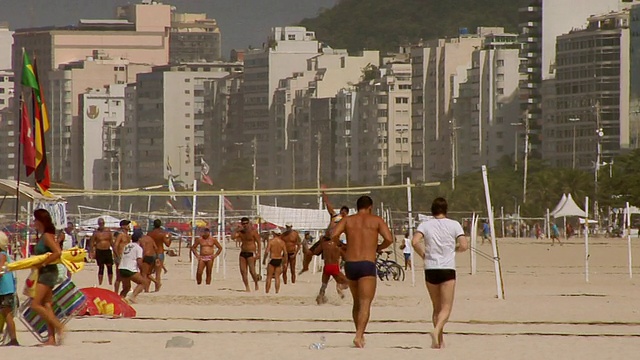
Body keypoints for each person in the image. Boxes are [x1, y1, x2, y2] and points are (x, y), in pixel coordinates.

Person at [331, 195, 393, 348]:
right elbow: (389, 239)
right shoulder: (376, 220)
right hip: (367, 262)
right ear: (370, 207)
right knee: (365, 303)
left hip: (351, 263)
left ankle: (360, 333)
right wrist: (378, 247)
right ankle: (359, 336)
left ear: (357, 207)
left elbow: (333, 235)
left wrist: (342, 246)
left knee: (357, 302)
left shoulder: (348, 220)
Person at [411, 197, 468, 349]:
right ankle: (436, 331)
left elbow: (415, 241)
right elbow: (464, 245)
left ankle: (439, 341)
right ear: (446, 209)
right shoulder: (454, 224)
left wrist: (423, 254)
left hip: (430, 267)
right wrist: (454, 250)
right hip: (447, 267)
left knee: (436, 307)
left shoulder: (425, 225)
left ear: (432, 210)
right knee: (446, 307)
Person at [31, 209, 65, 346]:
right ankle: (51, 339)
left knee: (35, 304)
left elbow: (58, 252)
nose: (34, 223)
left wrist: (43, 263)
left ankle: (58, 326)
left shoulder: (46, 236)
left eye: (35, 220)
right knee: (47, 304)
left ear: (40, 221)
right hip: (46, 272)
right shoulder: (43, 235)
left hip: (48, 272)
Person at [301, 190, 349, 273]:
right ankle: (305, 267)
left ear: (347, 213)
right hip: (325, 239)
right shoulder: (335, 216)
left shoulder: (346, 222)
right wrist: (324, 194)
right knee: (309, 253)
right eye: (342, 211)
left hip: (334, 241)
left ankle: (345, 275)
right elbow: (328, 205)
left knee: (343, 258)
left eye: (344, 212)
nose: (343, 212)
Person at [309, 232, 348, 304]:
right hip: (334, 267)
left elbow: (316, 252)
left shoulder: (324, 244)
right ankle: (340, 289)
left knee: (324, 285)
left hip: (326, 267)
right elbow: (345, 258)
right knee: (347, 282)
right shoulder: (338, 246)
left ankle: (320, 298)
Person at [118, 230, 150, 303]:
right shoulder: (138, 248)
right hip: (130, 269)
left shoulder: (127, 245)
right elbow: (139, 261)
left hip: (122, 268)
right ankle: (132, 297)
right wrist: (142, 271)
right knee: (143, 282)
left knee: (126, 288)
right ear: (139, 239)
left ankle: (119, 300)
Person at [0, 231, 18, 346]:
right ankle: (13, 339)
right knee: (6, 313)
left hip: (4, 288)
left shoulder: (2, 254)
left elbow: (0, 270)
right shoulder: (4, 253)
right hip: (6, 287)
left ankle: (13, 339)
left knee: (7, 313)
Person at [237, 217, 261, 292]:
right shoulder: (241, 232)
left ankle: (256, 283)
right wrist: (236, 229)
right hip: (243, 252)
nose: (245, 225)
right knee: (243, 271)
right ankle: (247, 287)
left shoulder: (253, 232)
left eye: (246, 223)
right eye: (243, 224)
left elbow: (259, 242)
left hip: (251, 252)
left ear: (249, 223)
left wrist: (259, 253)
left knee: (252, 271)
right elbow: (232, 237)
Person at [147, 219, 171, 292]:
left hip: (151, 253)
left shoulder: (149, 233)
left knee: (148, 272)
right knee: (158, 273)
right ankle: (157, 288)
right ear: (160, 225)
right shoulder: (162, 233)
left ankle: (146, 289)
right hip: (160, 253)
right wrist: (170, 238)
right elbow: (168, 244)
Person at [91, 218, 114, 286]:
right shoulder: (96, 232)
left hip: (107, 250)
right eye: (100, 223)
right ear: (98, 224)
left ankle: (110, 282)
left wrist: (115, 251)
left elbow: (111, 242)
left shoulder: (108, 231)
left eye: (102, 223)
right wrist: (91, 251)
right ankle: (100, 283)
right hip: (99, 251)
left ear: (104, 223)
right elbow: (91, 242)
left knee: (110, 267)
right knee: (101, 267)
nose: (101, 225)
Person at [263, 228, 287, 294]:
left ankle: (267, 291)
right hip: (279, 259)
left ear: (274, 233)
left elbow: (267, 251)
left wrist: (264, 259)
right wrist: (285, 262)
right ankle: (277, 291)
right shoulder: (282, 242)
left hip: (272, 259)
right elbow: (285, 253)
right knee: (277, 277)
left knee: (269, 277)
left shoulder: (271, 241)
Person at [113, 220, 131, 294]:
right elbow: (115, 246)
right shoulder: (120, 235)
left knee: (126, 277)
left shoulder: (128, 236)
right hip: (120, 257)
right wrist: (118, 256)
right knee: (119, 277)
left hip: (127, 258)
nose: (129, 226)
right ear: (123, 226)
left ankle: (124, 293)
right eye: (127, 225)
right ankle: (116, 293)